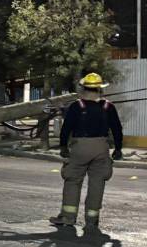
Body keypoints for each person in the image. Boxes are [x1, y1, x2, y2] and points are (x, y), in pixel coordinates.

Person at [49, 72, 123, 231]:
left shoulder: (76, 106)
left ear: (83, 89)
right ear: (100, 90)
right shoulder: (108, 106)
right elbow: (117, 129)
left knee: (73, 181)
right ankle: (92, 220)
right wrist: (118, 148)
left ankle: (68, 217)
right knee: (97, 183)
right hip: (101, 148)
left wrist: (63, 146)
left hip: (80, 147)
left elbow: (66, 128)